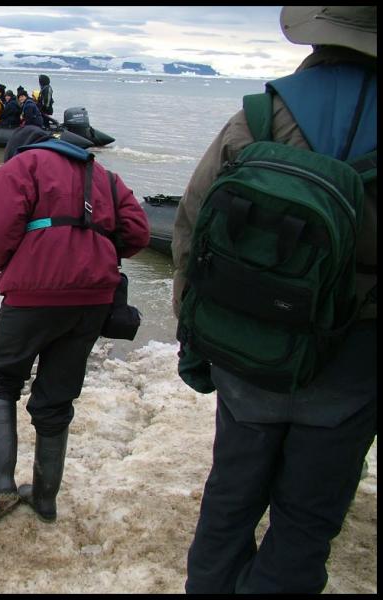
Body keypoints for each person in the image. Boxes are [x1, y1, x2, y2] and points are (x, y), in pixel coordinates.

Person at [171, 6, 377, 594]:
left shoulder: (260, 116)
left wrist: (197, 337)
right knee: (306, 521)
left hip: (248, 343)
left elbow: (190, 225)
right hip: (354, 359)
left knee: (230, 497)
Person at [0, 125, 150, 522]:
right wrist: (91, 255)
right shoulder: (104, 175)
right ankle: (45, 498)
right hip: (93, 300)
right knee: (57, 397)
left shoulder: (20, 166)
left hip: (34, 294)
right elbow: (138, 233)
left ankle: (1, 479)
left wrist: (17, 263)